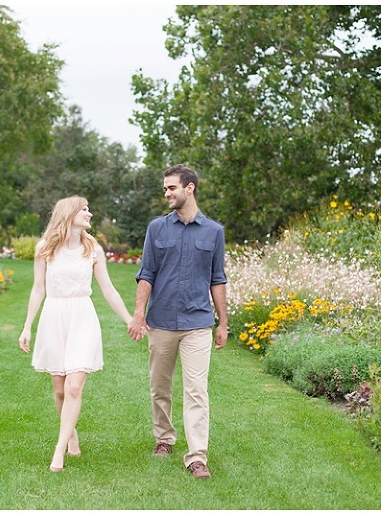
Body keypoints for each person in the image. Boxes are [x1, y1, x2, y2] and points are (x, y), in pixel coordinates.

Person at [19, 196, 134, 473]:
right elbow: (38, 289)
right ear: (69, 214)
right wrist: (27, 326)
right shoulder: (45, 248)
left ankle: (58, 451)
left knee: (73, 386)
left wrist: (130, 319)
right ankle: (70, 434)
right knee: (59, 388)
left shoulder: (93, 248)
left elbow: (108, 289)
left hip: (83, 316)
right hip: (54, 316)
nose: (90, 214)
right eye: (85, 210)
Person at [127, 164, 228, 479]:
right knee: (160, 387)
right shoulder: (157, 229)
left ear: (190, 188)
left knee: (197, 391)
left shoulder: (214, 231)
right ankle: (164, 438)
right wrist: (138, 313)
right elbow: (147, 275)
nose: (167, 193)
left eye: (171, 187)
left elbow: (218, 279)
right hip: (162, 322)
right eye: (165, 189)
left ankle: (197, 457)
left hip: (198, 322)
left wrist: (223, 322)